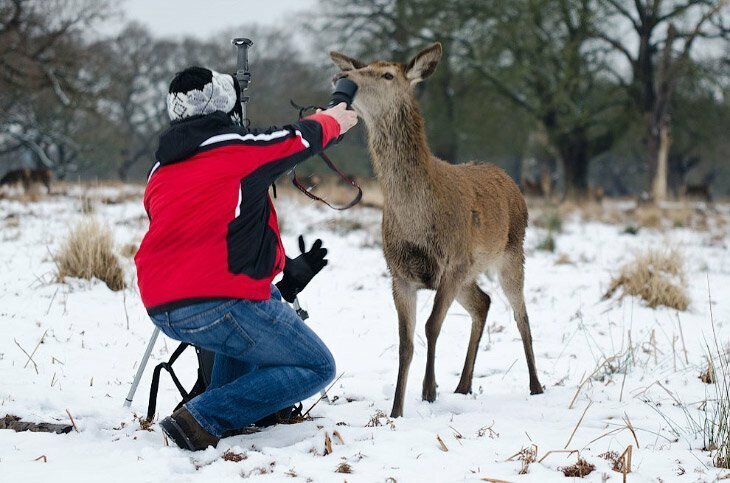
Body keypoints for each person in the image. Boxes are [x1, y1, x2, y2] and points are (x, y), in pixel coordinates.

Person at [134, 66, 358, 451]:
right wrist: (336, 114)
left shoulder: (159, 171)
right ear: (226, 108)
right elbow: (300, 137)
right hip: (218, 301)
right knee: (318, 366)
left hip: (160, 304)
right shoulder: (236, 148)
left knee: (259, 303)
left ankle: (219, 410)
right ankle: (201, 418)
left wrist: (284, 273)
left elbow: (214, 234)